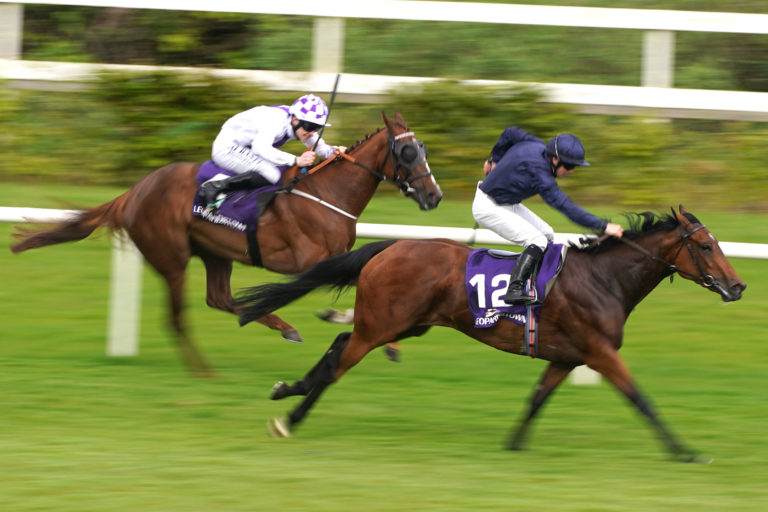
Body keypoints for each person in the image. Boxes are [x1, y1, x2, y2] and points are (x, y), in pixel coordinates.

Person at [472, 127, 623, 305]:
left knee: (547, 234)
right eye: (569, 166)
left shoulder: (536, 144)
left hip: (506, 203)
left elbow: (510, 133)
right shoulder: (542, 176)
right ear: (554, 159)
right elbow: (567, 208)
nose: (572, 171)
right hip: (488, 207)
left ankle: (537, 281)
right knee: (538, 241)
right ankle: (514, 290)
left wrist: (494, 159)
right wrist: (604, 226)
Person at [199, 94, 347, 206]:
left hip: (244, 149)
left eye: (317, 128)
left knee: (278, 171)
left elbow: (321, 147)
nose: (312, 132)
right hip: (227, 148)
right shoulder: (275, 120)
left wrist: (334, 151)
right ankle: (214, 187)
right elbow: (260, 148)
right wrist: (296, 160)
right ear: (295, 119)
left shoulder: (299, 125)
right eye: (309, 127)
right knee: (272, 174)